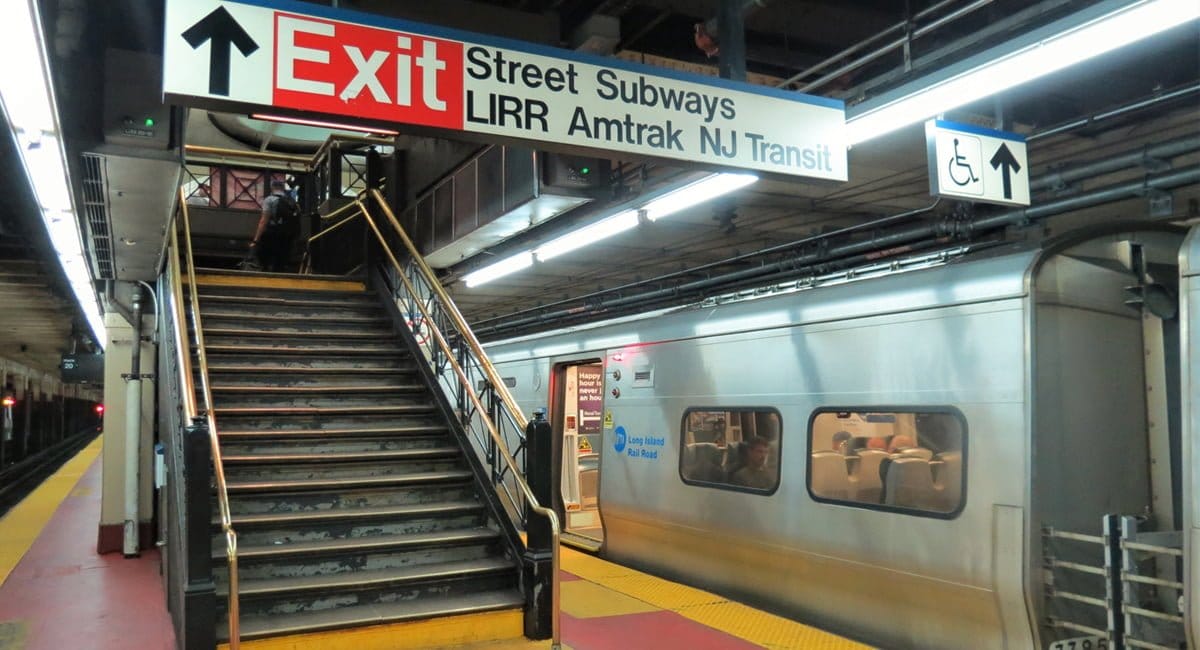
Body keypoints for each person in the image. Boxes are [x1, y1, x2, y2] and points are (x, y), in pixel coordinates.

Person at [249, 180, 299, 272]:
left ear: (272, 188)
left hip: (271, 234)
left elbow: (263, 221)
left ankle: (266, 279)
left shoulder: (269, 200)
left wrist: (256, 240)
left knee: (265, 262)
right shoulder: (292, 201)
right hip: (287, 236)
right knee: (280, 264)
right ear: (283, 188)